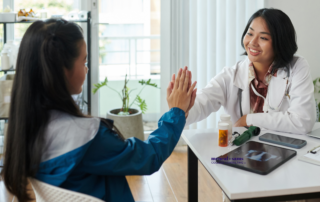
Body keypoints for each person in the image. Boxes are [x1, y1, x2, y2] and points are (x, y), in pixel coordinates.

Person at [1, 19, 197, 202]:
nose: (86, 69)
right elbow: (148, 157)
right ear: (63, 70)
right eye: (84, 62)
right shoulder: (87, 138)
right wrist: (176, 112)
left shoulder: (27, 127)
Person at [183, 8, 316, 134]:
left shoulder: (297, 67)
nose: (252, 42)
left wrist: (248, 120)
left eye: (263, 38)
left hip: (286, 151)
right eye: (250, 33)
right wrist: (182, 110)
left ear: (280, 43)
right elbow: (203, 102)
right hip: (243, 150)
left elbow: (303, 121)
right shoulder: (232, 75)